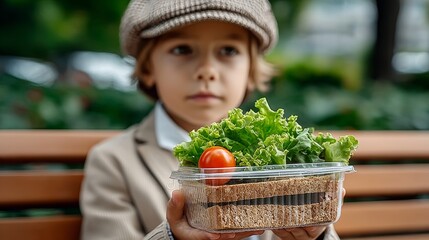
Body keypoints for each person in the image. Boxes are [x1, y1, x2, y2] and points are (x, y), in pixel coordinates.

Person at [80, 0, 341, 239]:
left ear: (251, 70)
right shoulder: (114, 162)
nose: (207, 70)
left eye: (228, 50)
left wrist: (317, 233)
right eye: (182, 49)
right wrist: (172, 237)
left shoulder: (279, 155)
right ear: (148, 68)